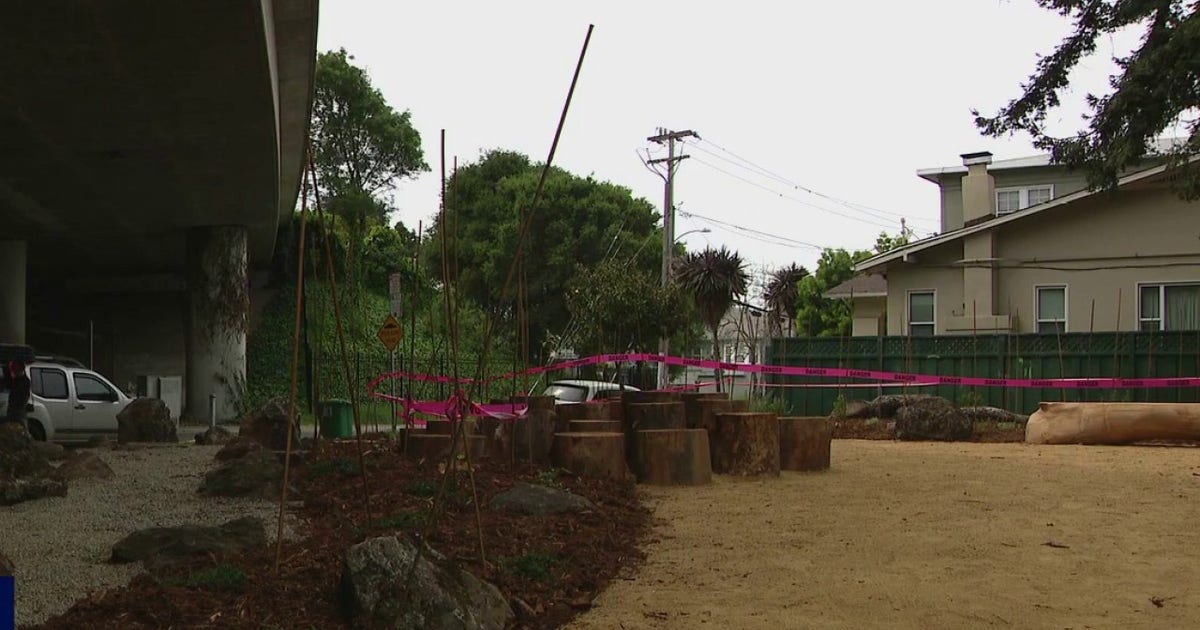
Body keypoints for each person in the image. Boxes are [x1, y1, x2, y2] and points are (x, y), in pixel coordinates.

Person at [4, 358, 31, 429]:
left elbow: (24, 397)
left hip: (19, 411)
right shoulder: (16, 380)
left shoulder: (24, 381)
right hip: (13, 410)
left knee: (21, 430)